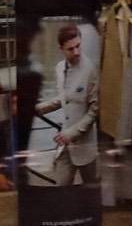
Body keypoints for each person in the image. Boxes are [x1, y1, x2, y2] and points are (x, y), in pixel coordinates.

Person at [35, 24, 99, 186]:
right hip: (65, 146)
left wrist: (72, 133)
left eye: (78, 46)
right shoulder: (59, 68)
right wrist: (39, 109)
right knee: (61, 187)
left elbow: (94, 110)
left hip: (85, 146)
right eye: (70, 49)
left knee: (91, 189)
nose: (76, 52)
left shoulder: (91, 70)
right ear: (61, 49)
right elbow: (65, 98)